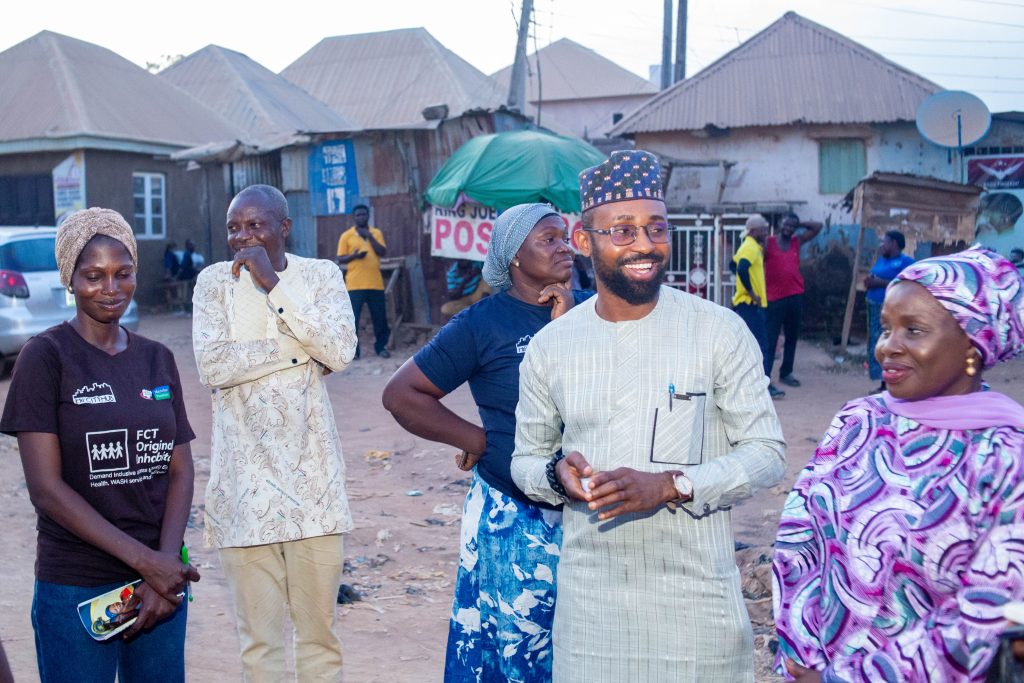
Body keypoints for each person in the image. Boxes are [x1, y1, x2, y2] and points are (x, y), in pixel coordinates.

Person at [510, 150, 787, 682]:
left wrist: (670, 485)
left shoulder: (718, 331)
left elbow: (766, 454)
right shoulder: (552, 346)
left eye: (656, 228)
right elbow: (525, 459)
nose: (644, 244)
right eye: (623, 230)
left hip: (697, 609)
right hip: (592, 611)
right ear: (584, 240)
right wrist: (556, 475)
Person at [773, 247, 1024, 682]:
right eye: (887, 328)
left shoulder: (1005, 458)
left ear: (973, 342)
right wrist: (802, 654)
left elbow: (990, 615)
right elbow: (799, 537)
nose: (886, 347)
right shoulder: (858, 421)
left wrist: (846, 680)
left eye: (914, 330)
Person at [382, 203, 589, 682]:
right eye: (549, 239)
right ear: (513, 256)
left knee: (584, 652)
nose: (564, 247)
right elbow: (401, 394)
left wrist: (568, 326)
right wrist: (481, 439)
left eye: (564, 237)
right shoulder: (482, 323)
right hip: (516, 519)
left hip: (592, 512)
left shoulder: (594, 309)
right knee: (517, 652)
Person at [1, 207, 199, 682]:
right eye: (94, 276)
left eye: (123, 273)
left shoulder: (157, 359)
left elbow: (180, 470)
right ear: (69, 279)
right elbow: (46, 489)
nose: (111, 288)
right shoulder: (45, 358)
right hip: (78, 585)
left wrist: (164, 566)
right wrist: (148, 563)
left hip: (159, 586)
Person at [192, 185, 357, 682]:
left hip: (315, 492)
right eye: (233, 228)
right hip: (244, 493)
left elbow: (340, 350)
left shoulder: (321, 275)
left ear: (284, 227)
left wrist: (272, 286)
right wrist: (298, 354)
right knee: (259, 647)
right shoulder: (213, 283)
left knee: (319, 641)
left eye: (255, 225)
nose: (242, 237)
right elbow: (213, 365)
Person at [764, 212, 824, 389]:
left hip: (794, 296)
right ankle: (766, 376)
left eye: (792, 225)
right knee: (771, 339)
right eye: (786, 224)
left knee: (792, 337)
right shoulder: (769, 242)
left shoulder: (796, 241)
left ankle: (786, 373)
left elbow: (818, 226)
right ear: (780, 225)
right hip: (773, 298)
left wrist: (800, 223)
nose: (788, 228)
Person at [733, 214, 783, 398]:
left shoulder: (751, 246)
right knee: (760, 346)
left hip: (748, 305)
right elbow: (741, 268)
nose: (766, 232)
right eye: (763, 230)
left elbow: (734, 265)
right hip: (750, 305)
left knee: (752, 346)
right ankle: (762, 387)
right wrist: (751, 292)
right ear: (754, 231)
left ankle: (754, 386)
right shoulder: (750, 247)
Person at [336, 203, 390, 358]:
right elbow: (340, 258)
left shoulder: (376, 233)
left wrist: (369, 236)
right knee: (352, 320)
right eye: (358, 215)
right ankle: (354, 352)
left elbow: (382, 252)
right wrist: (354, 256)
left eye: (363, 214)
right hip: (354, 285)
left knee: (380, 319)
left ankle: (381, 348)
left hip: (375, 284)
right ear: (354, 217)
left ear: (368, 216)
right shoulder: (346, 235)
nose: (361, 217)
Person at [864, 229, 914, 392]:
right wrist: (869, 281)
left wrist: (879, 283)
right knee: (876, 344)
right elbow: (874, 276)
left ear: (894, 243)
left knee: (889, 344)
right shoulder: (882, 260)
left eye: (885, 242)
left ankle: (889, 384)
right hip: (874, 306)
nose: (882, 245)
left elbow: (908, 283)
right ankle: (883, 382)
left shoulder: (906, 262)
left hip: (891, 310)